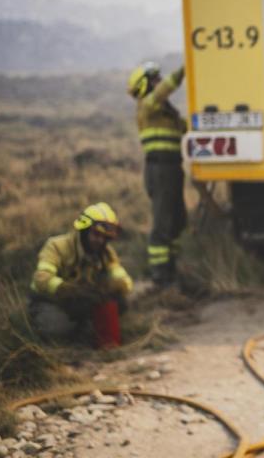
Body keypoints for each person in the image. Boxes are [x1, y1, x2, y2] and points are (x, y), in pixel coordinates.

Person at [29, 203, 133, 343]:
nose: (100, 240)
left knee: (121, 303)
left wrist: (112, 287)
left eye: (105, 237)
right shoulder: (56, 246)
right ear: (84, 230)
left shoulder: (106, 253)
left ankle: (84, 327)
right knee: (59, 329)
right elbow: (41, 279)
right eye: (96, 234)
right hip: (51, 300)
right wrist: (67, 289)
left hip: (81, 301)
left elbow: (124, 281)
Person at [127, 62, 188, 288]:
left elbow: (186, 126)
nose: (159, 82)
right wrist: (184, 69)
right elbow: (164, 90)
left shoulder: (166, 114)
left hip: (173, 168)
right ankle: (161, 277)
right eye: (154, 79)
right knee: (162, 224)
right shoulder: (147, 106)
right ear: (144, 86)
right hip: (159, 170)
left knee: (177, 221)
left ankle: (172, 270)